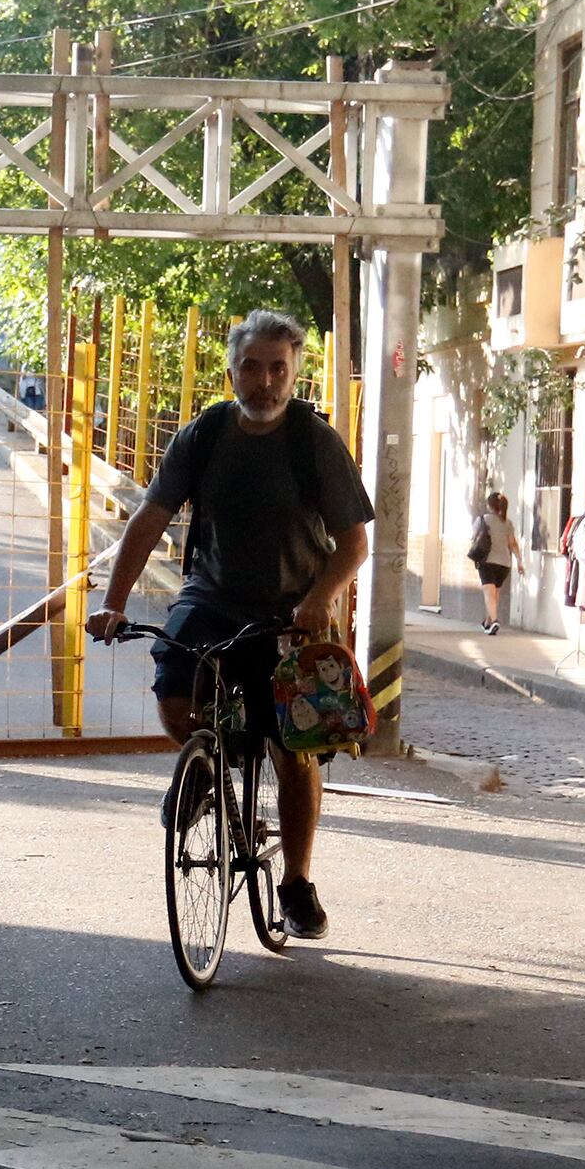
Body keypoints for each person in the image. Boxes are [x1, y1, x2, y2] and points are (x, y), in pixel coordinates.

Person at [87, 309, 372, 940]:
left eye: (278, 368)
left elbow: (353, 544)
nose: (265, 381)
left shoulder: (314, 441)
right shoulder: (205, 435)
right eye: (252, 367)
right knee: (172, 693)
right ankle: (206, 768)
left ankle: (296, 882)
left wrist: (321, 597)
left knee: (293, 747)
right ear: (231, 371)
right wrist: (114, 601)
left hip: (293, 609)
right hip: (212, 596)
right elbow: (150, 517)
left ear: (295, 373)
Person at [471, 490, 521, 635]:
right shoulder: (507, 522)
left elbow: (473, 538)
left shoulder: (482, 520)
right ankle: (488, 622)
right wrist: (519, 561)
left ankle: (494, 621)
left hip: (488, 561)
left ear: (489, 505)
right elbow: (513, 544)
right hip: (504, 563)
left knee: (488, 592)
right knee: (495, 593)